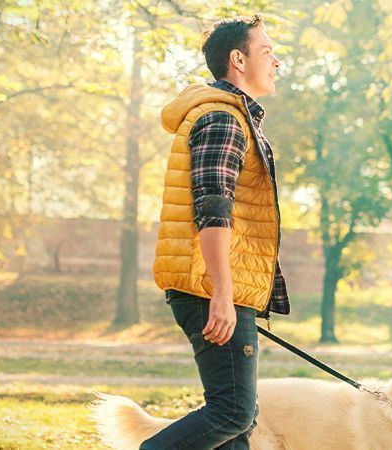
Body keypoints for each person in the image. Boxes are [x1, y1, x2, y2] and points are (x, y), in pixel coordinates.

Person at [144, 13, 290, 450]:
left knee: (237, 425)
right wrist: (222, 294)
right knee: (233, 412)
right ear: (237, 60)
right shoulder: (223, 119)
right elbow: (212, 210)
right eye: (267, 51)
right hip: (213, 288)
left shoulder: (234, 118)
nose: (277, 61)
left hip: (224, 286)